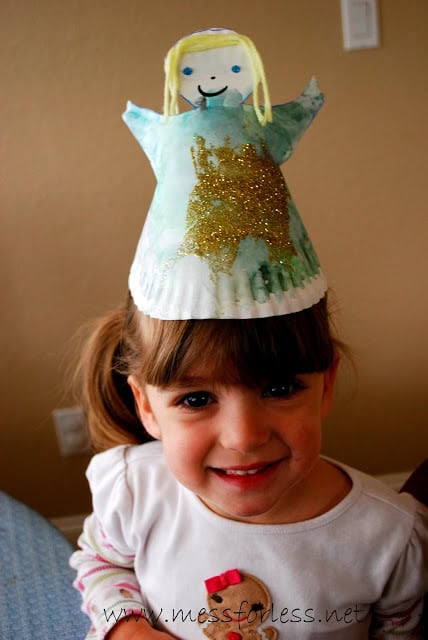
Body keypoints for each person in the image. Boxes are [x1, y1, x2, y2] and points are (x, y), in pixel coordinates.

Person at [70, 29, 428, 640]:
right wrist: (126, 626)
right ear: (144, 405)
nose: (243, 437)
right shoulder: (133, 494)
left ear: (326, 384)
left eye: (281, 386)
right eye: (196, 398)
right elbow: (101, 563)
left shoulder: (392, 537)